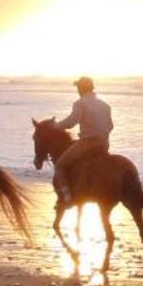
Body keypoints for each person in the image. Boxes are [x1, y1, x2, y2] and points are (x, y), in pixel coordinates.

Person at [50, 75, 113, 206]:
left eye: (78, 87)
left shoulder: (80, 103)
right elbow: (110, 126)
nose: (77, 90)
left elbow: (71, 122)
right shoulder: (105, 105)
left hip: (88, 143)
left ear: (81, 88)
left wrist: (55, 126)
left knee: (60, 166)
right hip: (104, 144)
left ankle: (68, 198)